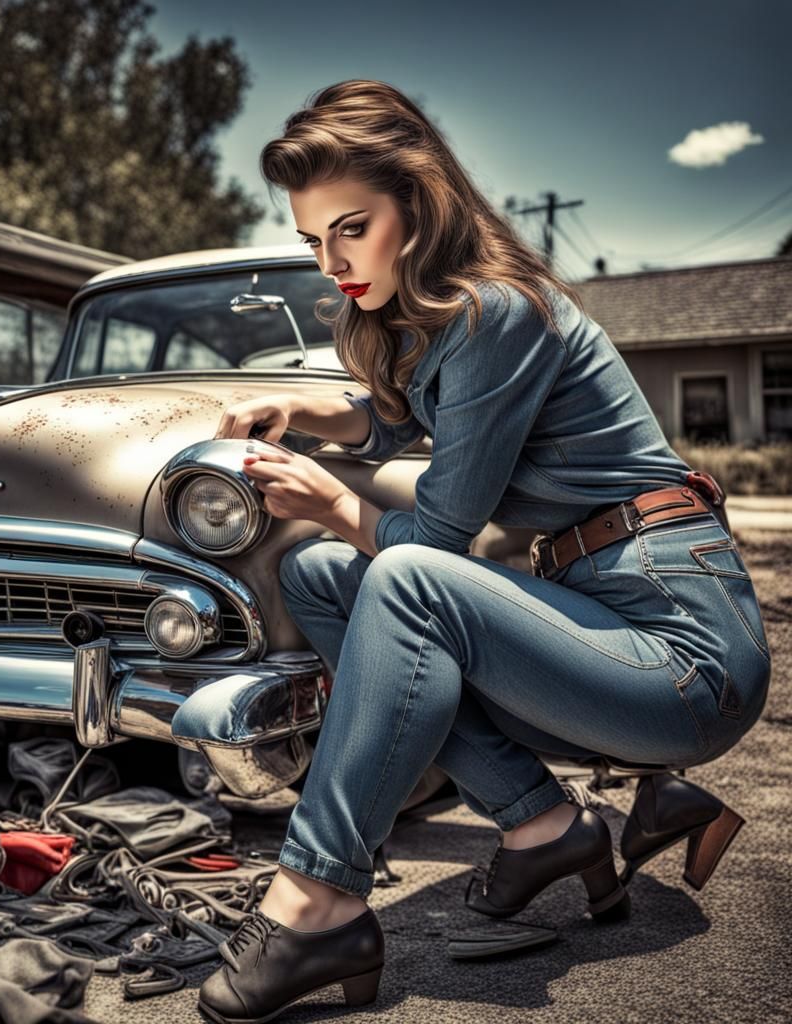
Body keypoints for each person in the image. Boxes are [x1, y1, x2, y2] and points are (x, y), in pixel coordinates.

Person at [197, 79, 771, 1024]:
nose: (333, 261)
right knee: (318, 575)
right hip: (595, 618)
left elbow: (433, 540)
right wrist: (302, 405)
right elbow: (397, 417)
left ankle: (318, 898)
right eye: (312, 241)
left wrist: (330, 497)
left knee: (409, 574)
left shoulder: (498, 310)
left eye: (352, 227)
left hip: (685, 649)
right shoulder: (433, 323)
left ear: (416, 207)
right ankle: (545, 826)